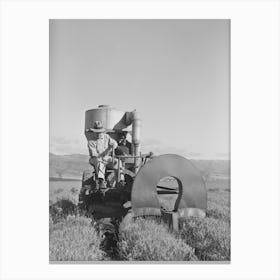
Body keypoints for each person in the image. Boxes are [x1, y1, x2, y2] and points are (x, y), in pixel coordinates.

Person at [87, 121, 124, 189]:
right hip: (95, 159)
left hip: (107, 158)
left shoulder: (106, 137)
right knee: (100, 162)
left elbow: (115, 144)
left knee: (118, 162)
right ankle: (101, 181)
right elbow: (94, 154)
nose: (99, 134)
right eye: (97, 132)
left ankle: (120, 181)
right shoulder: (91, 141)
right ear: (94, 132)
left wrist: (113, 145)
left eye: (100, 132)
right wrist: (103, 157)